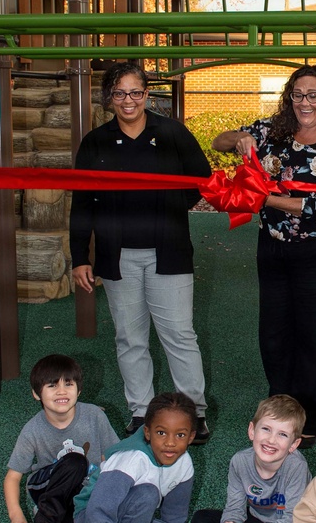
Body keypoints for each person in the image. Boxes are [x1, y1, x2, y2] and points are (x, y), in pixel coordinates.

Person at [70, 61, 212, 442]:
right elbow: (82, 202)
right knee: (130, 338)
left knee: (179, 335)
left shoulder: (172, 133)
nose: (128, 101)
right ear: (109, 98)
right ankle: (140, 412)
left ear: (147, 95)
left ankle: (193, 414)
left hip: (169, 253)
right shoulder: (95, 141)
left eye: (135, 92)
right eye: (119, 93)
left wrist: (169, 205)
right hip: (117, 258)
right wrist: (80, 256)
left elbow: (202, 178)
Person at [213, 65, 316, 444]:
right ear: (289, 96)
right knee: (273, 333)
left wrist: (260, 197)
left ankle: (314, 419)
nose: (305, 102)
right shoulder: (270, 129)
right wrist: (241, 137)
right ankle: (280, 411)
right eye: (298, 94)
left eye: (313, 95)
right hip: (272, 245)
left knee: (314, 334)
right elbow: (217, 143)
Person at [174, 394, 311, 523]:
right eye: (266, 429)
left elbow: (292, 521)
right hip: (255, 521)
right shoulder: (239, 461)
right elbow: (235, 507)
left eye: (282, 435)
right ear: (252, 431)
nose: (271, 440)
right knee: (200, 520)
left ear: (294, 445)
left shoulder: (296, 467)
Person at [69, 392, 197, 523]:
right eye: (161, 433)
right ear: (147, 432)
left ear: (191, 437)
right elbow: (98, 512)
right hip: (89, 520)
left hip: (127, 521)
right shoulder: (133, 458)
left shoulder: (185, 464)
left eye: (180, 435)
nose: (170, 443)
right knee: (148, 493)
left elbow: (174, 518)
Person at [3, 353, 119, 523]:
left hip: (81, 492)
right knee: (75, 461)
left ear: (79, 390)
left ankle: (56, 517)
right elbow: (13, 477)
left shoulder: (94, 416)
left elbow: (113, 459)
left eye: (68, 383)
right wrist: (16, 513)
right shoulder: (32, 430)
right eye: (52, 385)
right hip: (45, 484)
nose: (62, 391)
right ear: (37, 394)